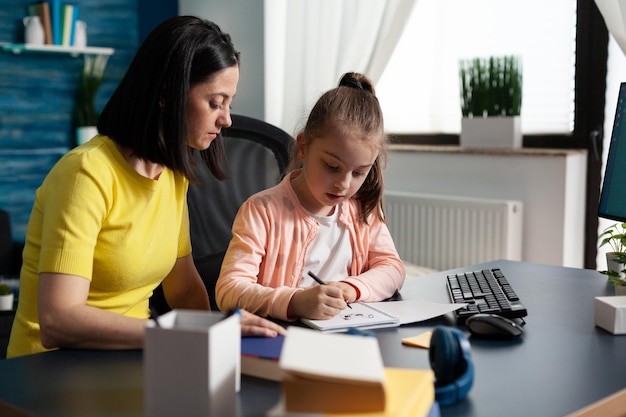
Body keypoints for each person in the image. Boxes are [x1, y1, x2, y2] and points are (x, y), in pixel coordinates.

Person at [7, 16, 285, 359]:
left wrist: (221, 347)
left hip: (130, 357)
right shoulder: (86, 174)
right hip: (53, 368)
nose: (226, 119)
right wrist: (183, 334)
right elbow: (58, 320)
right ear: (166, 95)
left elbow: (182, 288)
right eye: (215, 102)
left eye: (229, 103)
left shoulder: (172, 174)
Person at [215, 72, 406, 322]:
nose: (343, 184)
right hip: (283, 339)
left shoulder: (362, 210)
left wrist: (352, 288)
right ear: (303, 147)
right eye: (331, 166)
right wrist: (294, 302)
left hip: (347, 336)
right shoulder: (261, 211)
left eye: (359, 172)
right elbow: (229, 290)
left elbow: (392, 268)